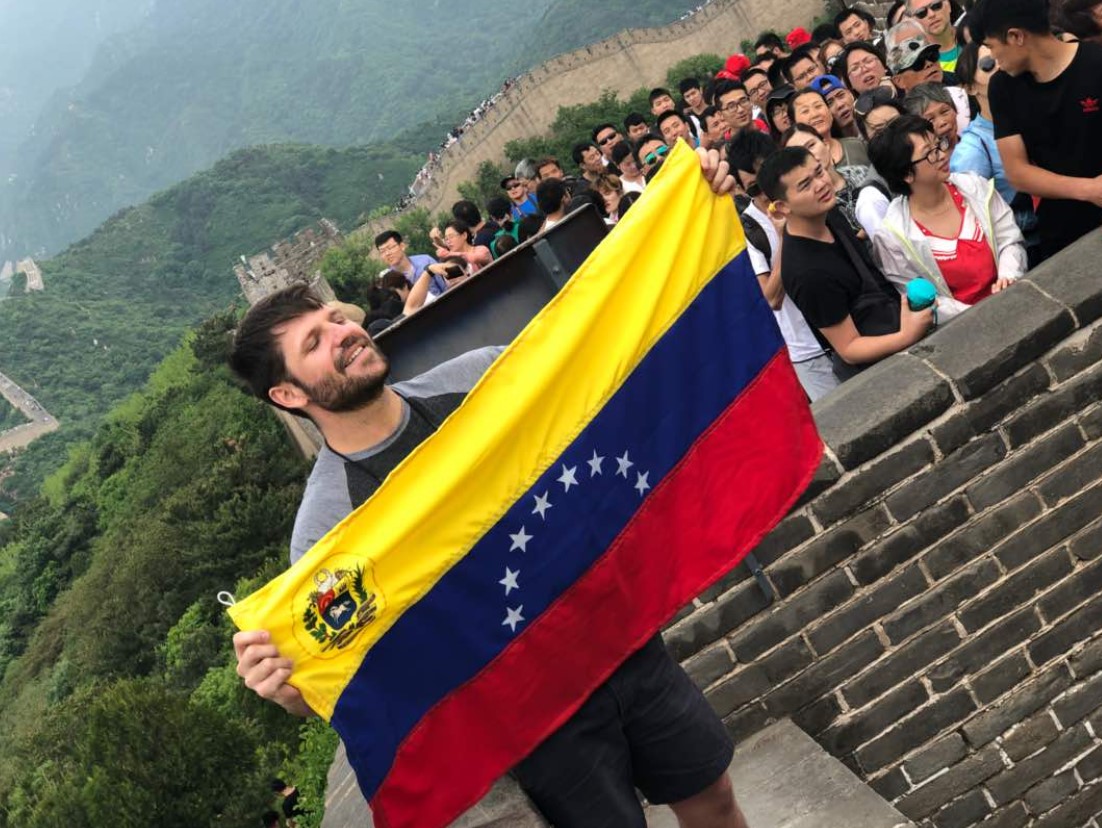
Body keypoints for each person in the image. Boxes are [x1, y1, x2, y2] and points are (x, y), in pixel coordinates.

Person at [230, 147, 752, 828]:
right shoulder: (328, 526)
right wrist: (288, 687)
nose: (344, 333)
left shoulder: (476, 380)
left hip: (619, 642)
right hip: (532, 721)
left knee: (713, 798)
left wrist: (690, 204)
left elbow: (607, 355)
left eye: (336, 319)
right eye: (314, 343)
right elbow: (352, 675)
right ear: (287, 392)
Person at [758, 146, 935, 380]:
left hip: (898, 324)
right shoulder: (806, 272)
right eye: (805, 185)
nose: (820, 184)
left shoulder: (829, 213)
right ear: (782, 206)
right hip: (881, 372)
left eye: (819, 172)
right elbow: (849, 348)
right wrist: (907, 335)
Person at [972, 0, 1102, 259]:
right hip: (1062, 235)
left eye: (991, 47)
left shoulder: (1095, 62)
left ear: (1016, 36)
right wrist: (1090, 190)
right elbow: (1017, 172)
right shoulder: (1003, 87)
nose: (993, 58)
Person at [869, 115, 1027, 319]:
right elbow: (923, 301)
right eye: (930, 154)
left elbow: (1010, 240)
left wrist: (1008, 276)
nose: (942, 155)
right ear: (905, 174)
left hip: (1014, 303)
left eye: (938, 145)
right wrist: (976, 314)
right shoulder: (893, 237)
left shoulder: (975, 188)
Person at [728, 131, 840, 401]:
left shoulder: (809, 195)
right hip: (808, 349)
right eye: (754, 188)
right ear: (742, 190)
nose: (766, 192)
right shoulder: (748, 228)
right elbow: (771, 299)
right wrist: (783, 239)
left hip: (846, 321)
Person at [950, 42, 1040, 251]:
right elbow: (976, 219)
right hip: (1029, 248)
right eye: (988, 64)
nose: (1000, 67)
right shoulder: (972, 149)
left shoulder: (1037, 111)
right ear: (969, 87)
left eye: (1002, 58)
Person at [782, 124, 890, 239]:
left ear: (826, 144)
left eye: (811, 145)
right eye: (800, 154)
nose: (809, 155)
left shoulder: (860, 171)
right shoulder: (812, 208)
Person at [883, 23, 971, 131]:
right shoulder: (900, 116)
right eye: (918, 63)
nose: (929, 64)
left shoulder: (965, 83)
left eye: (932, 56)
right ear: (899, 81)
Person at [374, 230, 439, 294]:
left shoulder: (426, 261)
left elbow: (445, 287)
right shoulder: (387, 281)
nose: (387, 253)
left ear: (402, 246)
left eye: (390, 248)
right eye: (382, 252)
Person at [908, 0, 963, 71]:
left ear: (948, 6)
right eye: (921, 13)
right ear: (914, 21)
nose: (931, 14)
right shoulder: (918, 65)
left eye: (936, 5)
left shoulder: (974, 34)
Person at [902, 82, 961, 147]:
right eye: (930, 119)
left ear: (955, 109)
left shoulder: (972, 144)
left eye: (945, 112)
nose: (942, 122)